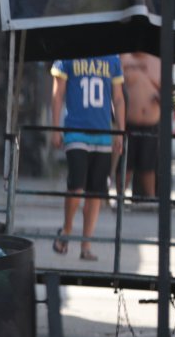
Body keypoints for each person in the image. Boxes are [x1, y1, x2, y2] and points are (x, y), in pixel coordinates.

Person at [51, 56, 125, 261]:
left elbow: (118, 98)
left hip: (103, 133)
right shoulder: (67, 54)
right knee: (76, 185)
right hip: (76, 131)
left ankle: (86, 244)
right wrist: (56, 128)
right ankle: (66, 229)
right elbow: (58, 94)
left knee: (96, 192)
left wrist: (120, 131)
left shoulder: (113, 59)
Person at [120, 52, 162, 201]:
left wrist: (163, 98)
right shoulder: (123, 59)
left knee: (148, 166)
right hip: (127, 123)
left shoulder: (158, 61)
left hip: (151, 124)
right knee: (125, 164)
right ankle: (120, 198)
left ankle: (150, 199)